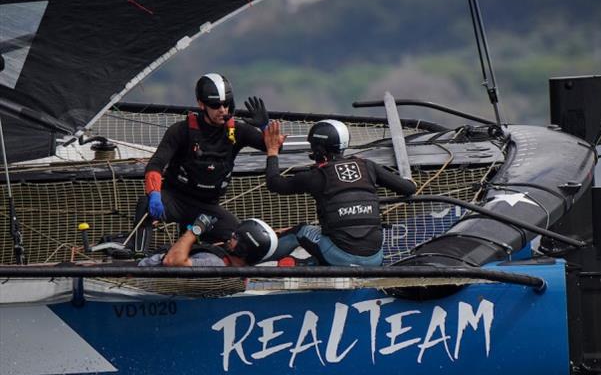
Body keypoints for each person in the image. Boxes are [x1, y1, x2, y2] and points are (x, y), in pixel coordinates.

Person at [139, 73, 273, 244]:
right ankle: (138, 257)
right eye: (215, 105)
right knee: (144, 204)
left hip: (207, 207)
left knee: (238, 238)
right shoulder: (181, 130)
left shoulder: (238, 131)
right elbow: (155, 165)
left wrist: (265, 127)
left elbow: (274, 147)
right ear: (201, 104)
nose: (222, 110)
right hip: (175, 200)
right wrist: (155, 194)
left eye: (226, 104)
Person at [263, 119, 417, 266]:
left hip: (340, 256)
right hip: (374, 259)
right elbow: (408, 188)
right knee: (332, 238)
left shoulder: (316, 176)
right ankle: (308, 264)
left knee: (299, 231)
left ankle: (248, 263)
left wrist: (272, 150)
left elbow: (274, 183)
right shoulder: (367, 166)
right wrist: (410, 182)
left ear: (318, 148)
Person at [138, 214, 277, 267]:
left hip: (135, 277)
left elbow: (172, 261)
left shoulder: (216, 263)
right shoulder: (237, 273)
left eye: (235, 237)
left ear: (244, 248)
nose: (230, 238)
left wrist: (195, 229)